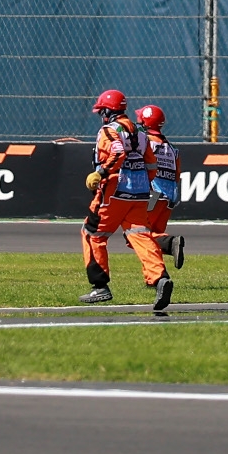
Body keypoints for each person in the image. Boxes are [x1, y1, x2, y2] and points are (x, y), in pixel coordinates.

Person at [80, 89, 173, 314]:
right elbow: (151, 164)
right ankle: (160, 278)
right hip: (140, 193)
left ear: (107, 111)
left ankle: (100, 287)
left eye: (101, 111)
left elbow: (118, 153)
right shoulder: (140, 131)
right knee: (140, 235)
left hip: (114, 192)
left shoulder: (109, 130)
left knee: (92, 233)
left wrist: (101, 173)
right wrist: (142, 182)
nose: (100, 115)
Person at [134, 104, 185, 269]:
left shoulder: (144, 142)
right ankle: (157, 275)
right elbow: (177, 176)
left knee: (136, 235)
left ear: (145, 122)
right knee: (154, 236)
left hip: (152, 196)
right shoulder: (172, 148)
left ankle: (171, 243)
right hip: (169, 198)